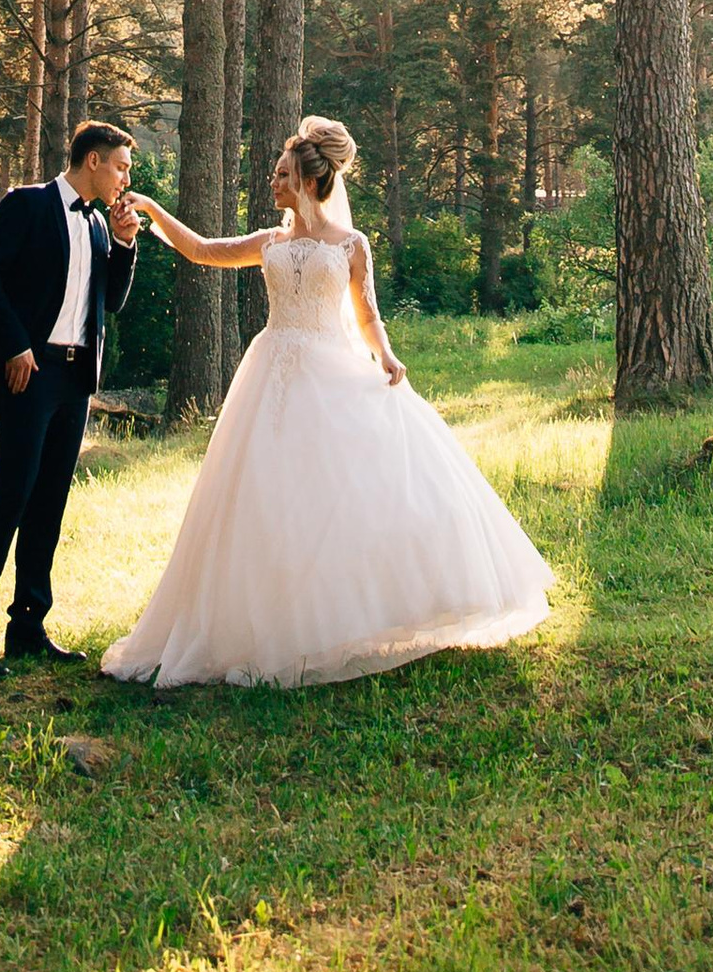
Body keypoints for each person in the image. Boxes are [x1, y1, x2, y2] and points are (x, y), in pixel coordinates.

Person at [103, 114, 551, 690]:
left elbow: (366, 314)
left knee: (355, 494)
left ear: (311, 182)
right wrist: (153, 212)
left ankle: (365, 614)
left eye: (282, 173)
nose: (273, 180)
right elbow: (204, 250)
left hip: (331, 369)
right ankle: (264, 626)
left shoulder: (350, 244)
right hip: (271, 375)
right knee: (265, 498)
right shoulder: (269, 241)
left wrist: (385, 355)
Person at [0, 117, 142, 676]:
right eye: (122, 167)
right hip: (27, 372)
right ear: (95, 161)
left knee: (50, 504)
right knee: (9, 498)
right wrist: (15, 345)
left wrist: (125, 245)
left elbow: (113, 304)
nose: (125, 179)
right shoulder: (27, 204)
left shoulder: (103, 225)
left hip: (76, 378)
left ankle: (28, 629)